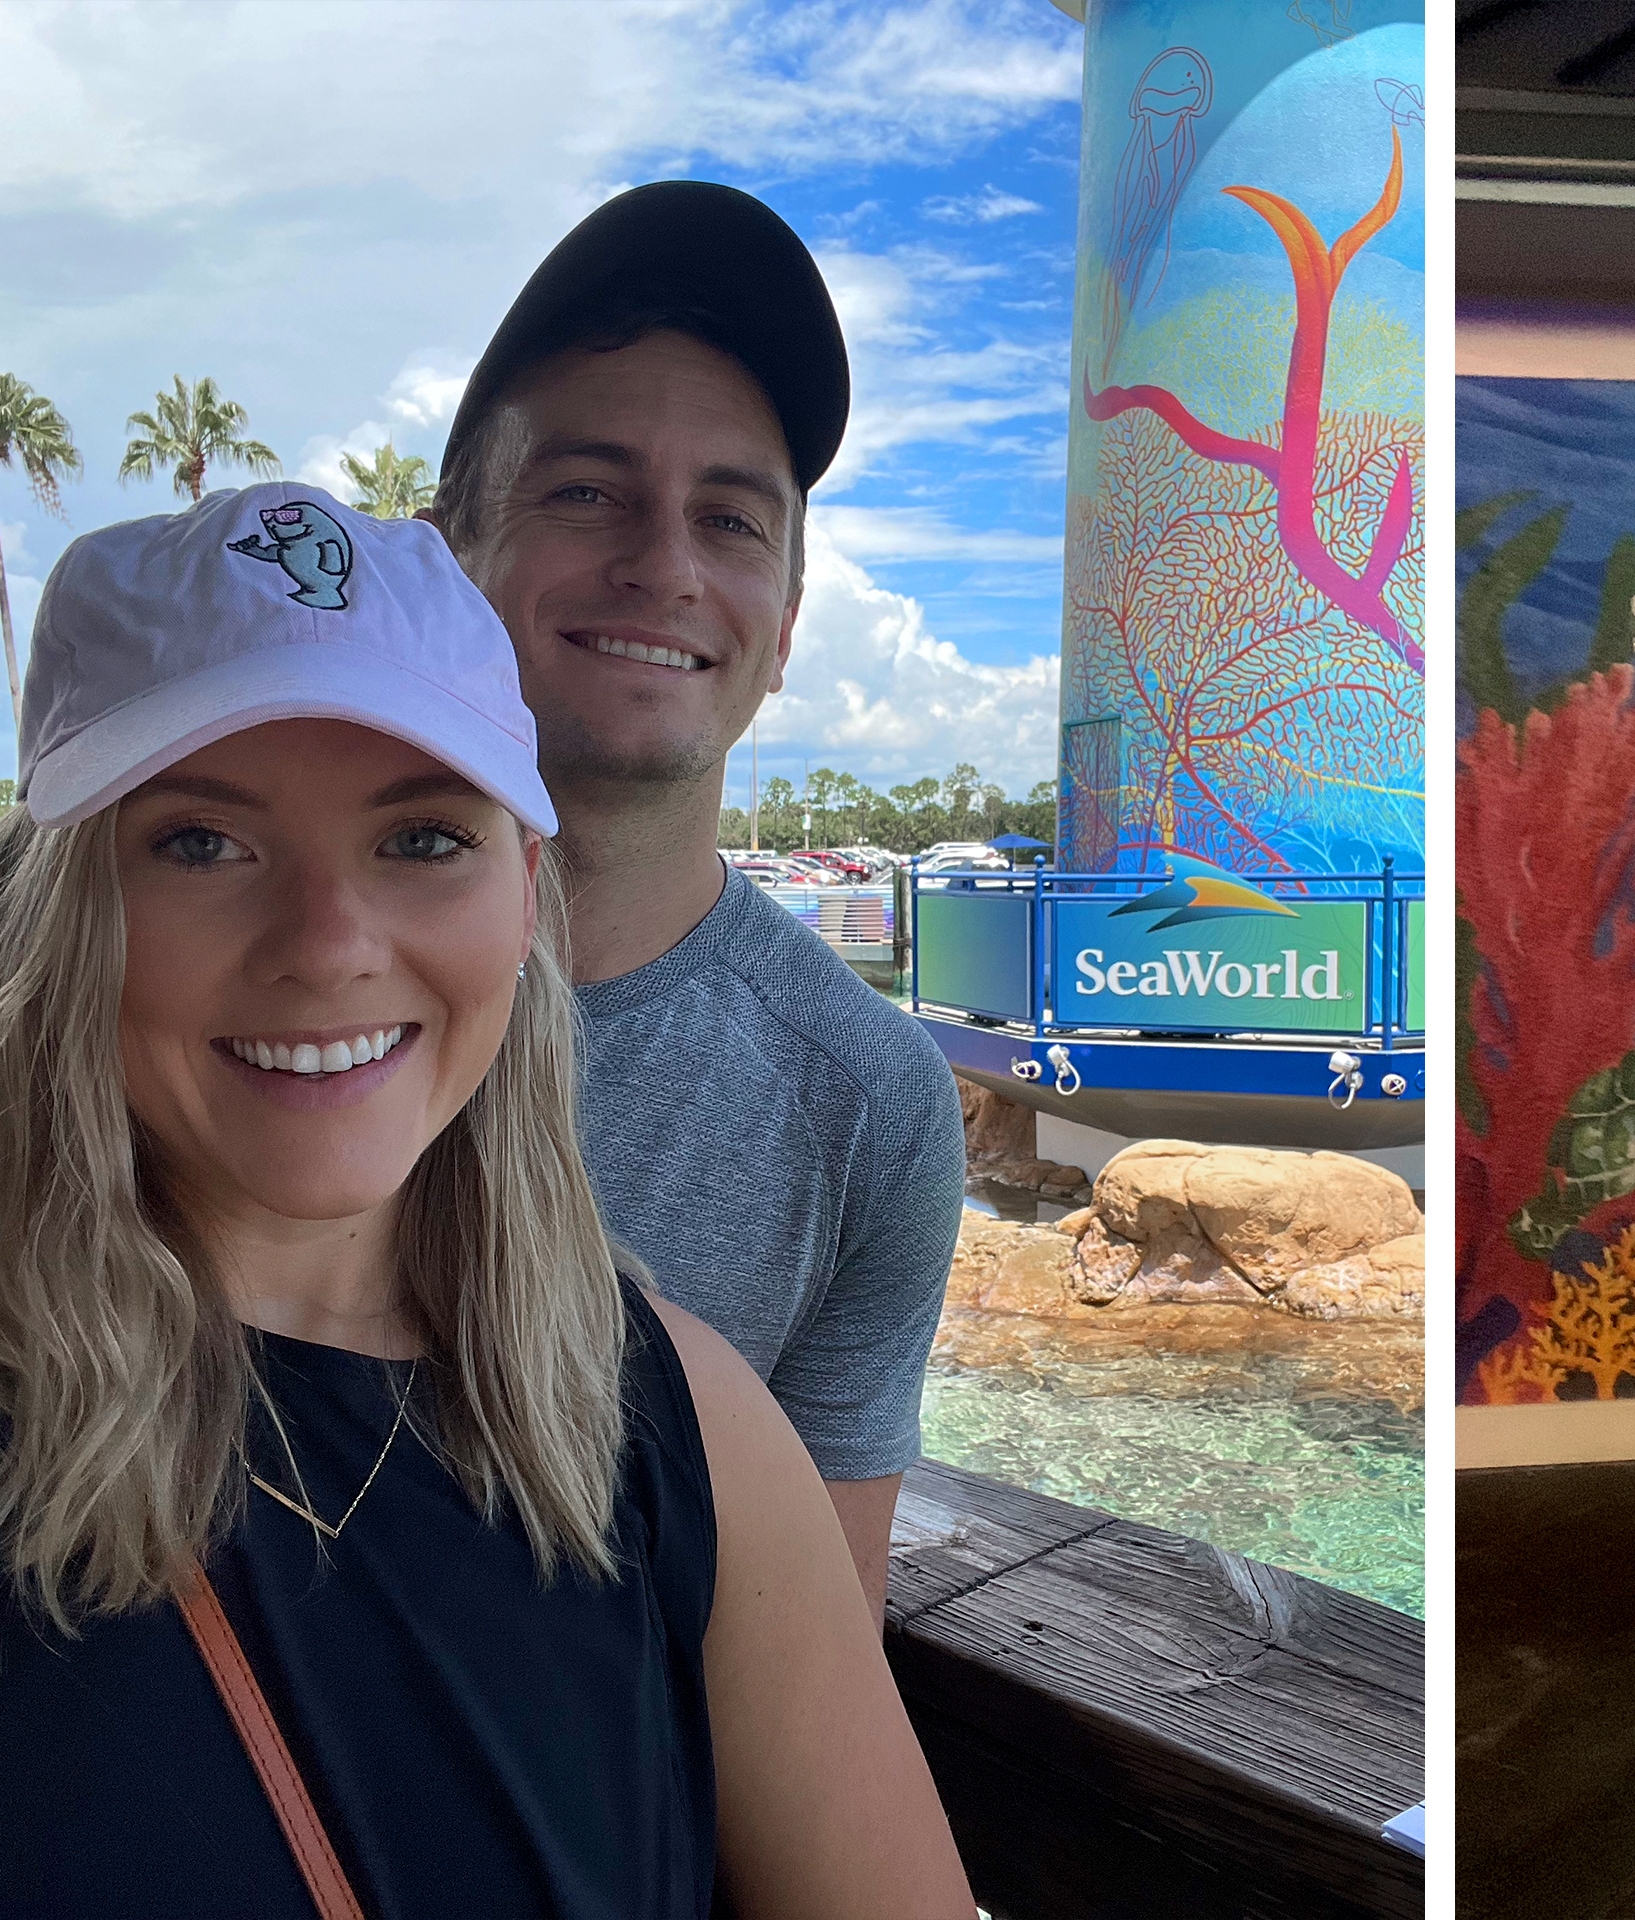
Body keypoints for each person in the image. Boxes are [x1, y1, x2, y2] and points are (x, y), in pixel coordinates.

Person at [0, 487, 973, 1917]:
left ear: (525, 890)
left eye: (422, 840)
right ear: (70, 904)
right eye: (203, 842)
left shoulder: (681, 1436)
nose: (329, 950)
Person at [426, 183, 966, 1626]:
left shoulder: (869, 1107)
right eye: (587, 490)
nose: (663, 565)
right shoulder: (205, 994)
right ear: (448, 558)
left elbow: (810, 1658)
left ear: (784, 626)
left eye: (731, 518)